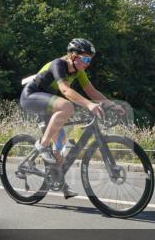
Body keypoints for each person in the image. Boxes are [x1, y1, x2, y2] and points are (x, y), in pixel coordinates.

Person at [19, 38, 123, 199]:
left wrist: (110, 105)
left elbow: (91, 91)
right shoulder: (58, 64)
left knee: (59, 149)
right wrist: (89, 105)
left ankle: (58, 182)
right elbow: (65, 91)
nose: (88, 63)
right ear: (74, 56)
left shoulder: (79, 71)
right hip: (31, 96)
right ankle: (42, 145)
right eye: (86, 59)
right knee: (67, 106)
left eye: (90, 60)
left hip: (47, 104)